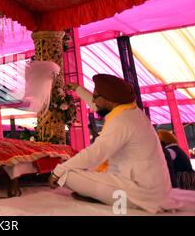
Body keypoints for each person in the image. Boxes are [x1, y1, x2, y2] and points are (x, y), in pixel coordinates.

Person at [47, 74, 179, 213]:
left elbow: (94, 154)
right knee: (81, 168)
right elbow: (97, 105)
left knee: (67, 174)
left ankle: (101, 196)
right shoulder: (129, 110)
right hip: (149, 187)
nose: (93, 99)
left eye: (96, 95)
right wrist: (78, 89)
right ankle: (97, 194)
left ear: (109, 100)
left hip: (140, 193)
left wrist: (57, 171)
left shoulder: (122, 121)